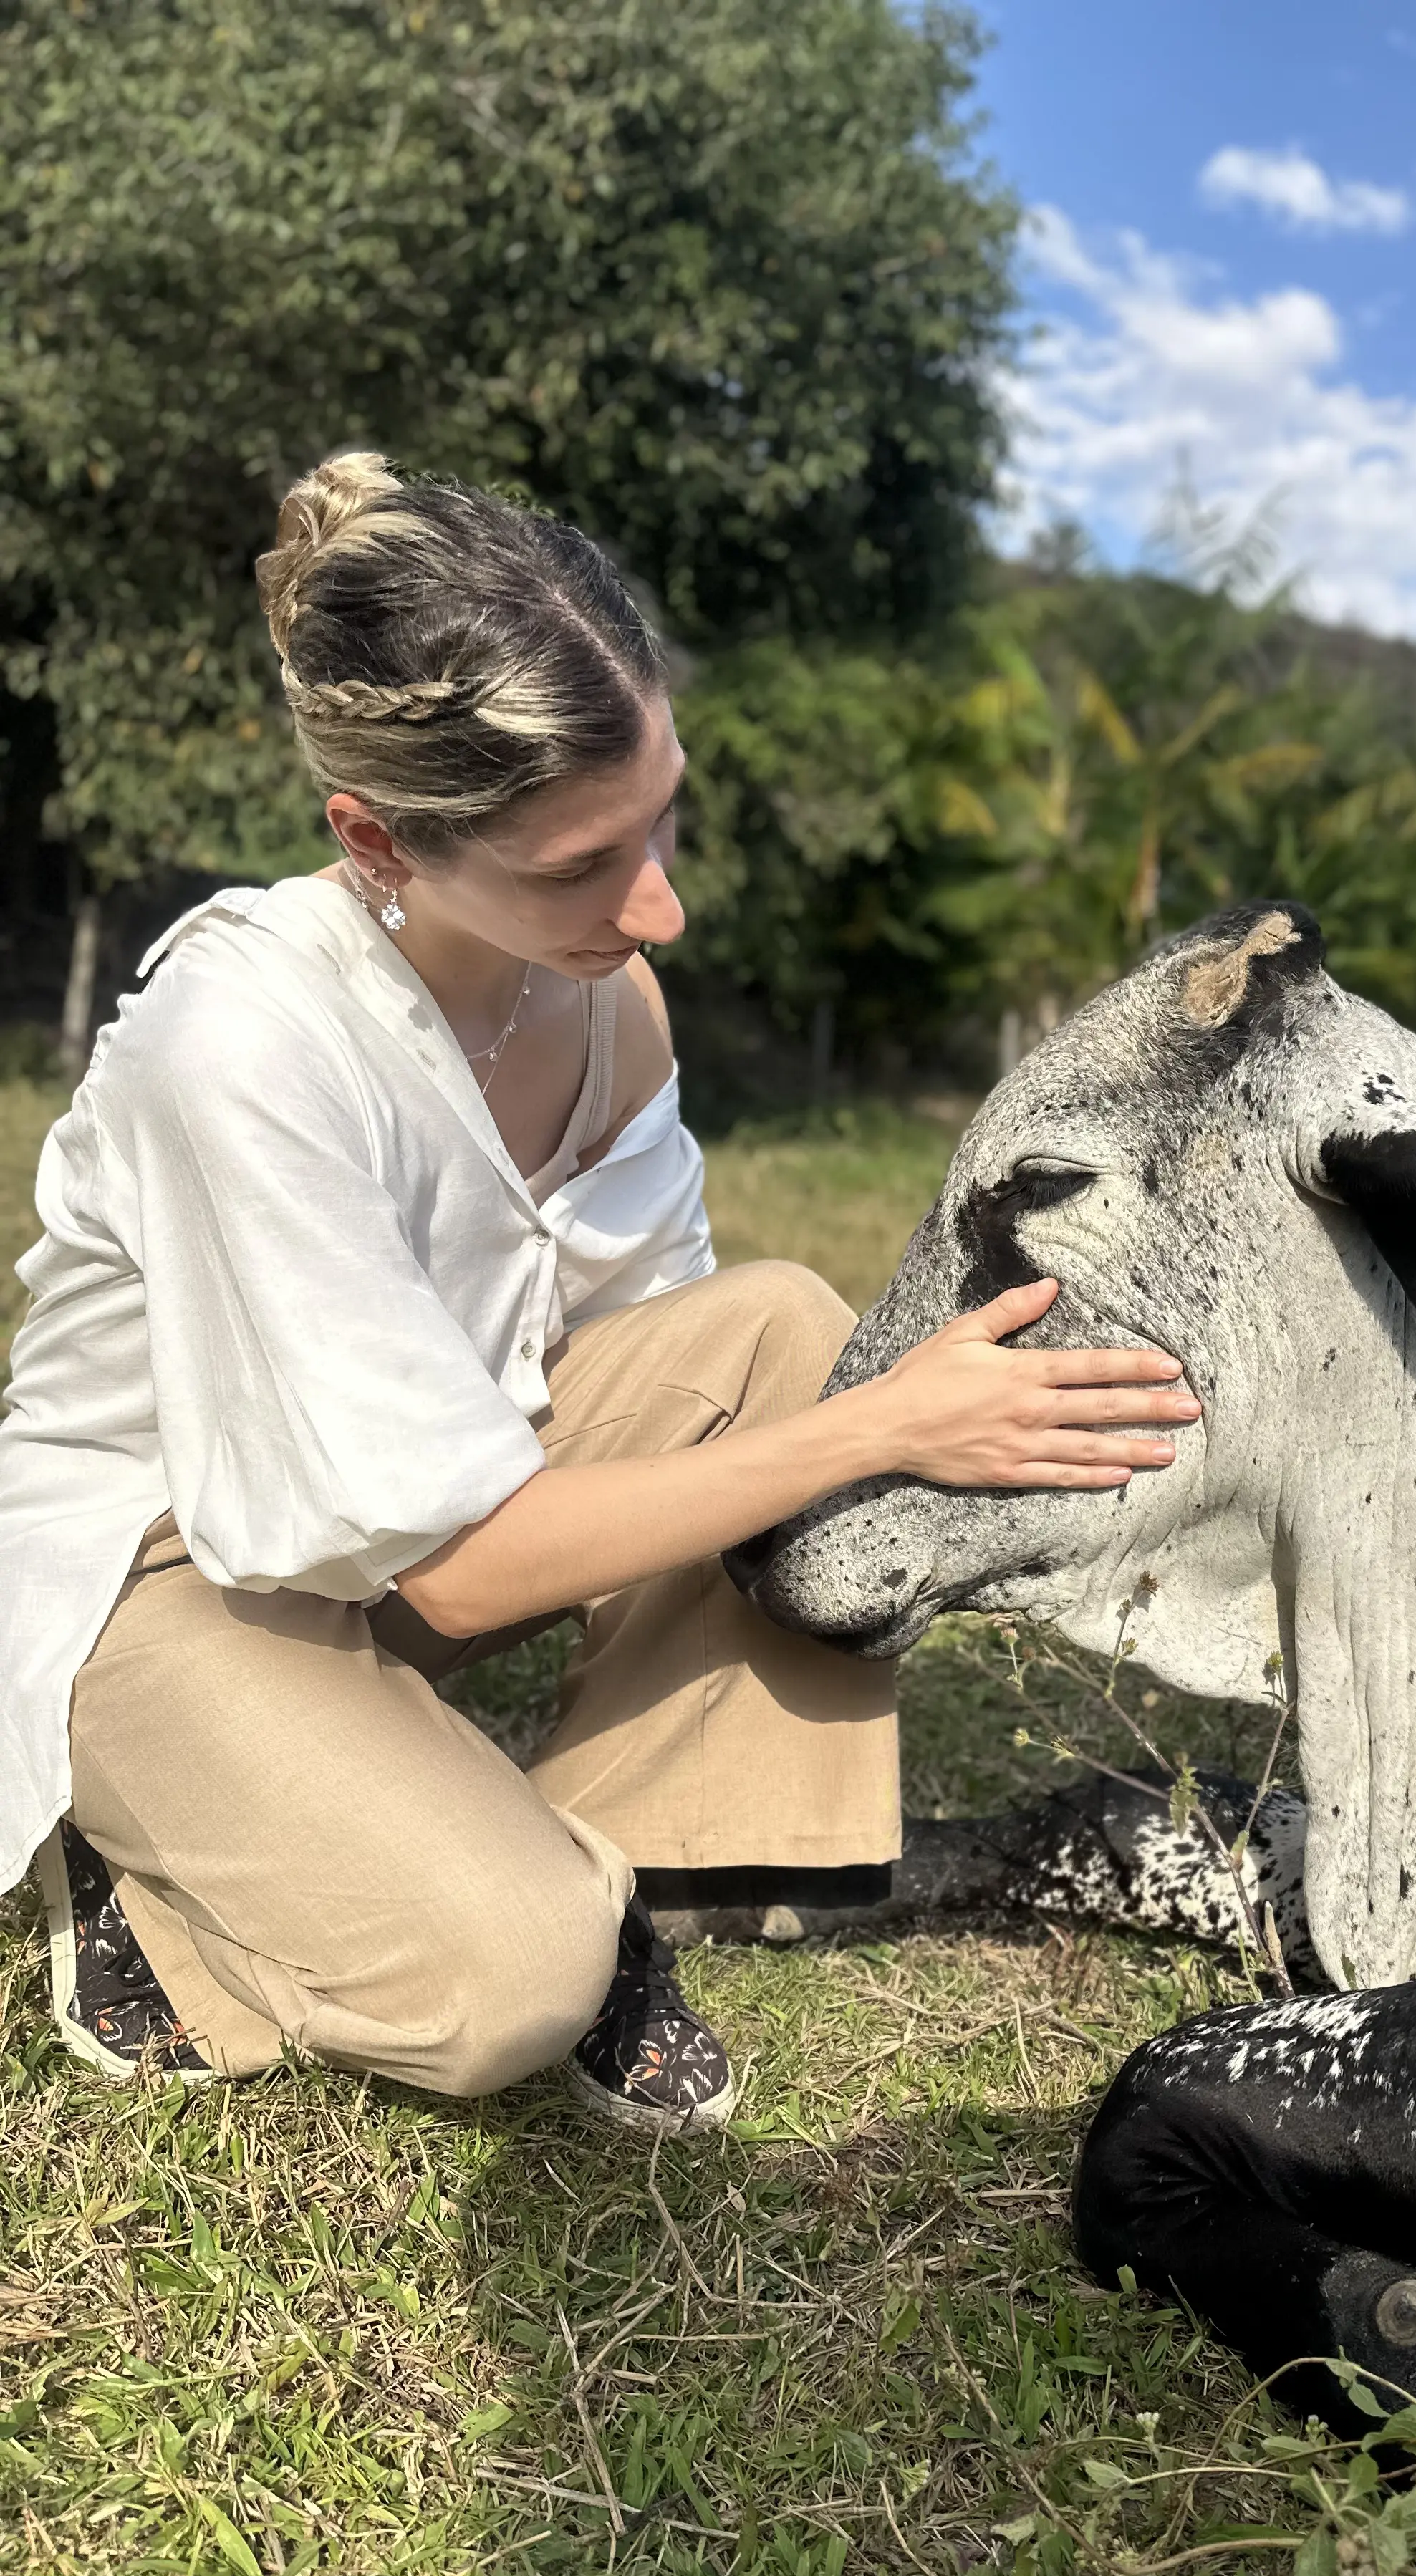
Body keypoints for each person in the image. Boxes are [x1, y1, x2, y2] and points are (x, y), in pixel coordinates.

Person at [0, 453, 1199, 2133]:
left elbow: (655, 1364)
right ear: (375, 839)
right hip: (170, 1560)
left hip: (390, 1520)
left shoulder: (609, 1004)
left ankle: (618, 1838)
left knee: (783, 1325)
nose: (661, 906)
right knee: (515, 1981)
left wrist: (884, 1404)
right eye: (581, 866)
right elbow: (477, 1567)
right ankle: (171, 1900)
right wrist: (885, 1424)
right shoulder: (248, 1043)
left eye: (663, 818)